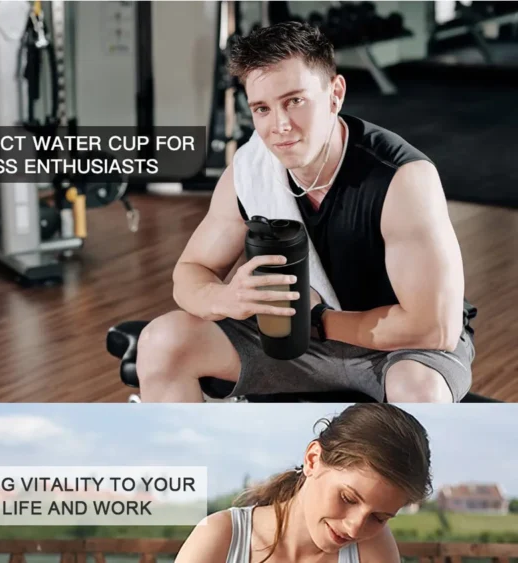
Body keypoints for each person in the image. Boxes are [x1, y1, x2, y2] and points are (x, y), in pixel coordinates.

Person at [136, 21, 476, 403]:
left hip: (399, 348)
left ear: (335, 94)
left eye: (294, 101)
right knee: (162, 342)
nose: (280, 126)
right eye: (262, 108)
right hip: (300, 342)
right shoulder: (250, 173)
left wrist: (316, 321)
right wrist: (224, 299)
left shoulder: (400, 179)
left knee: (420, 390)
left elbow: (434, 329)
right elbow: (189, 273)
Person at [175, 403, 432, 563]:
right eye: (348, 498)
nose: (355, 529)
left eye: (379, 517)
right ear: (312, 460)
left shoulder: (372, 547)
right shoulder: (221, 536)